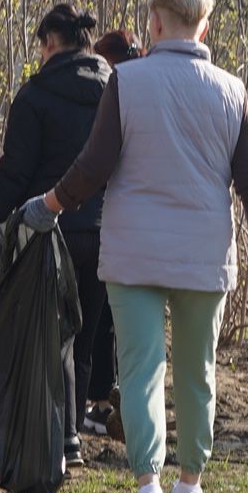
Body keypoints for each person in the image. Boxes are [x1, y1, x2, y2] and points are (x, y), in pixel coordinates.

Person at [26, 0, 248, 493]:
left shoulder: (130, 82)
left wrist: (49, 204)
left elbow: (93, 167)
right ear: (204, 25)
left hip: (135, 253)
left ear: (156, 22)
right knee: (198, 373)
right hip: (202, 256)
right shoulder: (231, 91)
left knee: (141, 372)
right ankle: (190, 489)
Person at [0, 4, 112, 465]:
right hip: (104, 232)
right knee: (84, 331)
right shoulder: (114, 89)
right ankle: (74, 430)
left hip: (47, 227)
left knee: (47, 333)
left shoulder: (35, 95)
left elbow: (17, 174)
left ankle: (57, 437)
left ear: (48, 43)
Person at [81, 28, 147, 440]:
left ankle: (103, 402)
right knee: (125, 317)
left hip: (113, 219)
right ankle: (122, 397)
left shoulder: (115, 93)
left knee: (103, 314)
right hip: (143, 223)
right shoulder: (144, 92)